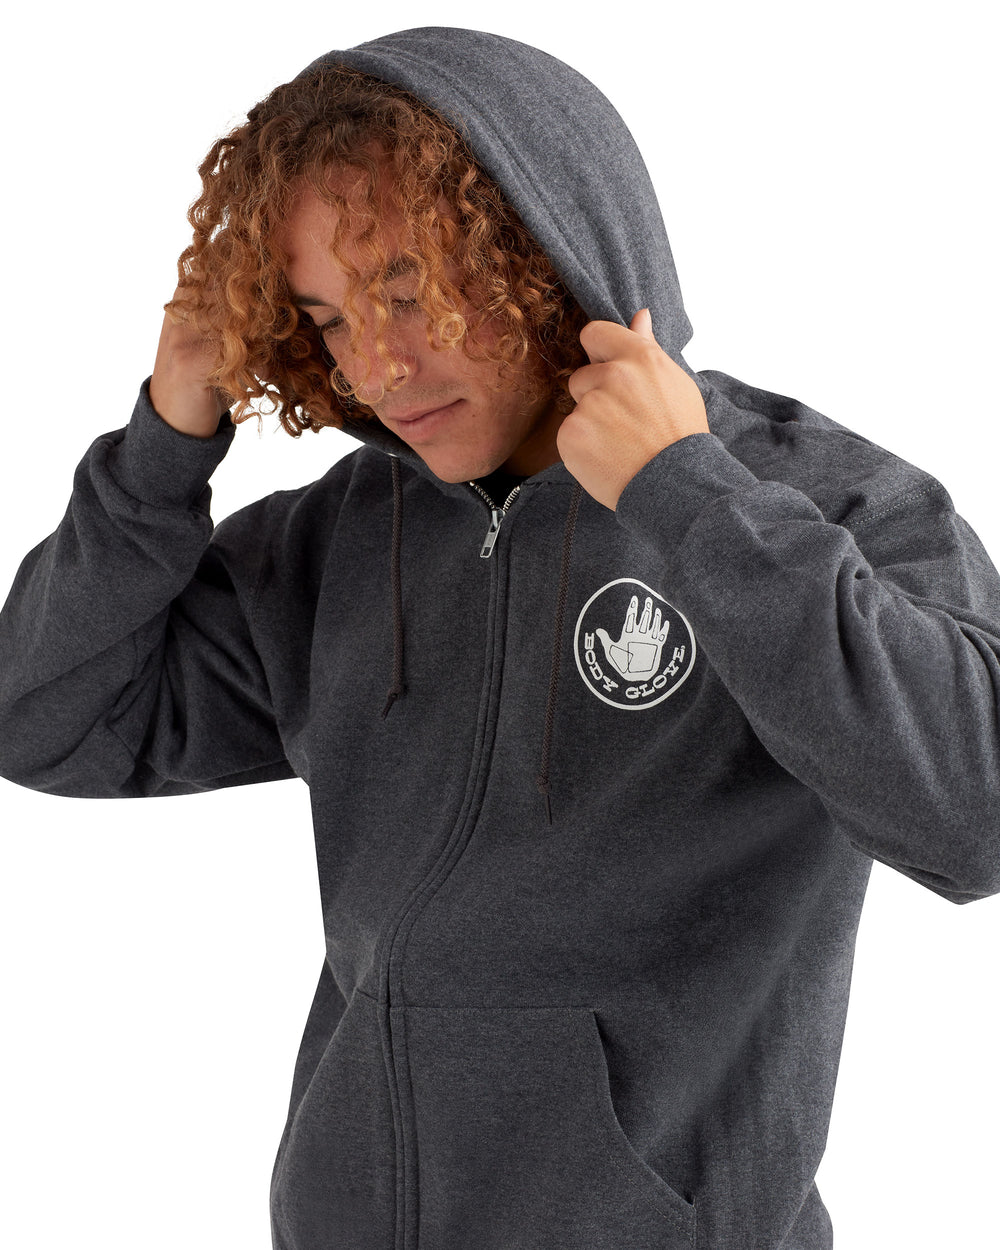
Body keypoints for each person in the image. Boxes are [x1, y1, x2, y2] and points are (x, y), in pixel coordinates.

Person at [1, 24, 998, 1250]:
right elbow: (42, 720)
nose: (378, 366)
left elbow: (978, 811)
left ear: (543, 249)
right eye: (328, 320)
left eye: (406, 292)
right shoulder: (339, 537)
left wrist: (686, 498)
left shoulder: (813, 503)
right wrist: (165, 443)